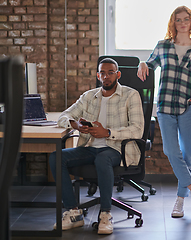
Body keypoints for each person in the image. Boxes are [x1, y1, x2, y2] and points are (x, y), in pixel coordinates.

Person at [49, 58, 144, 234]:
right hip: (90, 147)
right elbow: (64, 116)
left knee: (103, 158)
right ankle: (73, 212)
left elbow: (137, 130)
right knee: (56, 156)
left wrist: (107, 133)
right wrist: (75, 124)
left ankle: (106, 214)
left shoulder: (131, 95)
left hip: (116, 149)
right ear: (97, 75)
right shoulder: (88, 97)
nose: (106, 76)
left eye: (110, 72)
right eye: (102, 73)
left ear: (118, 74)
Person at [137, 5, 191, 218]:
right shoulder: (163, 46)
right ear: (173, 22)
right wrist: (142, 62)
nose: (183, 22)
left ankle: (180, 201)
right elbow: (149, 65)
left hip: (188, 108)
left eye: (186, 19)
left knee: (187, 155)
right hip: (165, 107)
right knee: (170, 151)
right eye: (178, 19)